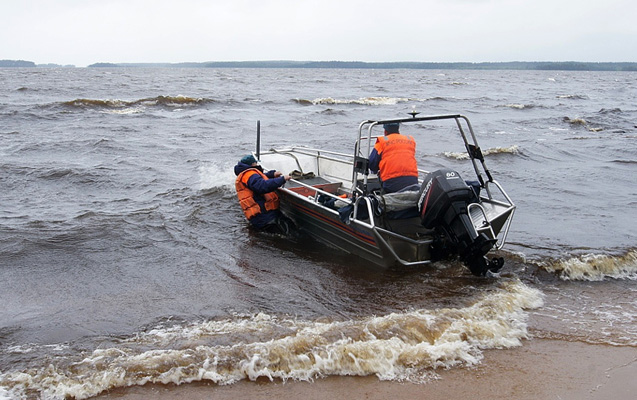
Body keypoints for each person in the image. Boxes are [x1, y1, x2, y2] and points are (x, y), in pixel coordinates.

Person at [234, 154, 293, 234]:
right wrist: (282, 179)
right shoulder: (249, 174)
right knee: (290, 234)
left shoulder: (246, 174)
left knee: (288, 226)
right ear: (252, 164)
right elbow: (262, 186)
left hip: (262, 215)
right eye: (256, 163)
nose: (257, 165)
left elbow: (258, 178)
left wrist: (272, 174)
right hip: (264, 216)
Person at [368, 122, 419, 193]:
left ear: (385, 131)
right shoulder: (410, 140)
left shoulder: (382, 142)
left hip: (391, 184)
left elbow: (372, 164)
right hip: (413, 182)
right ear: (398, 129)